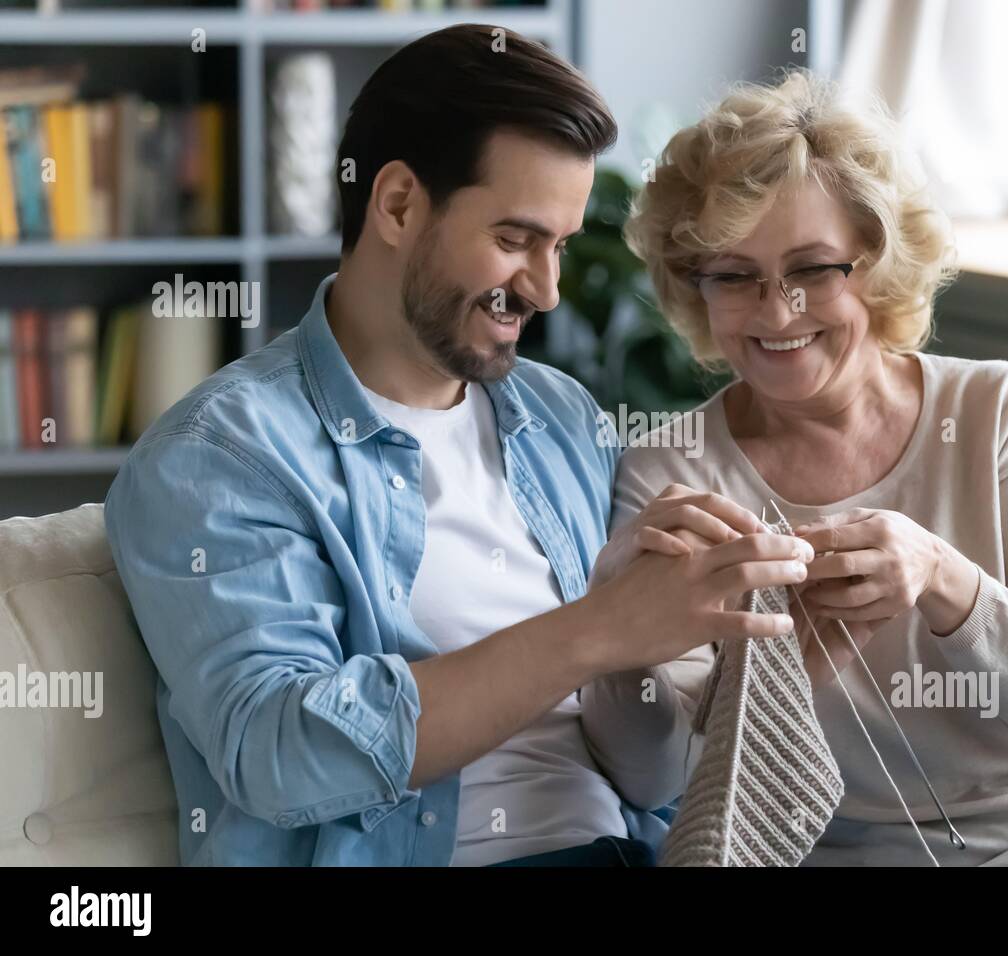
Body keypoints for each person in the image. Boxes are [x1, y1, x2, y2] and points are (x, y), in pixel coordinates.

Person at [104, 25, 809, 867]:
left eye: (560, 246)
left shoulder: (560, 420)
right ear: (398, 204)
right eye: (514, 240)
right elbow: (277, 752)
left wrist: (645, 649)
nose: (545, 289)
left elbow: (647, 782)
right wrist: (594, 629)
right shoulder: (223, 457)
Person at [580, 69, 1008, 867]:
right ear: (693, 287)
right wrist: (617, 628)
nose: (777, 312)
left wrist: (945, 577)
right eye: (735, 276)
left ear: (875, 263)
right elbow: (652, 777)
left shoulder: (996, 408)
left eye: (812, 269)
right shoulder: (672, 470)